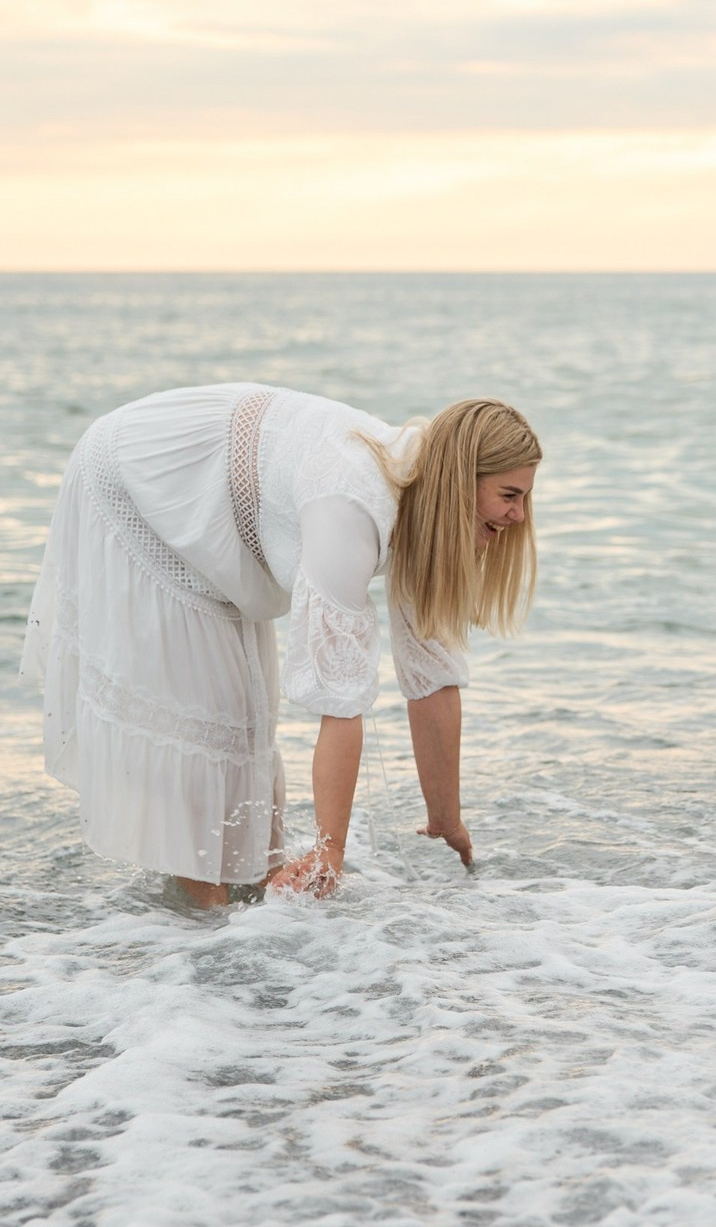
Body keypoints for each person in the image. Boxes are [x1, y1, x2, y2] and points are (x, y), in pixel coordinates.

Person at [20, 383, 540, 906]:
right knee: (209, 723)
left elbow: (433, 680)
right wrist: (330, 849)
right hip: (143, 477)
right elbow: (340, 701)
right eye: (509, 496)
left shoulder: (424, 505)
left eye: (525, 497)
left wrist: (445, 819)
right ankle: (198, 939)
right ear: (455, 483)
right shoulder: (351, 504)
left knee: (248, 732)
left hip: (220, 495)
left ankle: (241, 934)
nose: (519, 516)